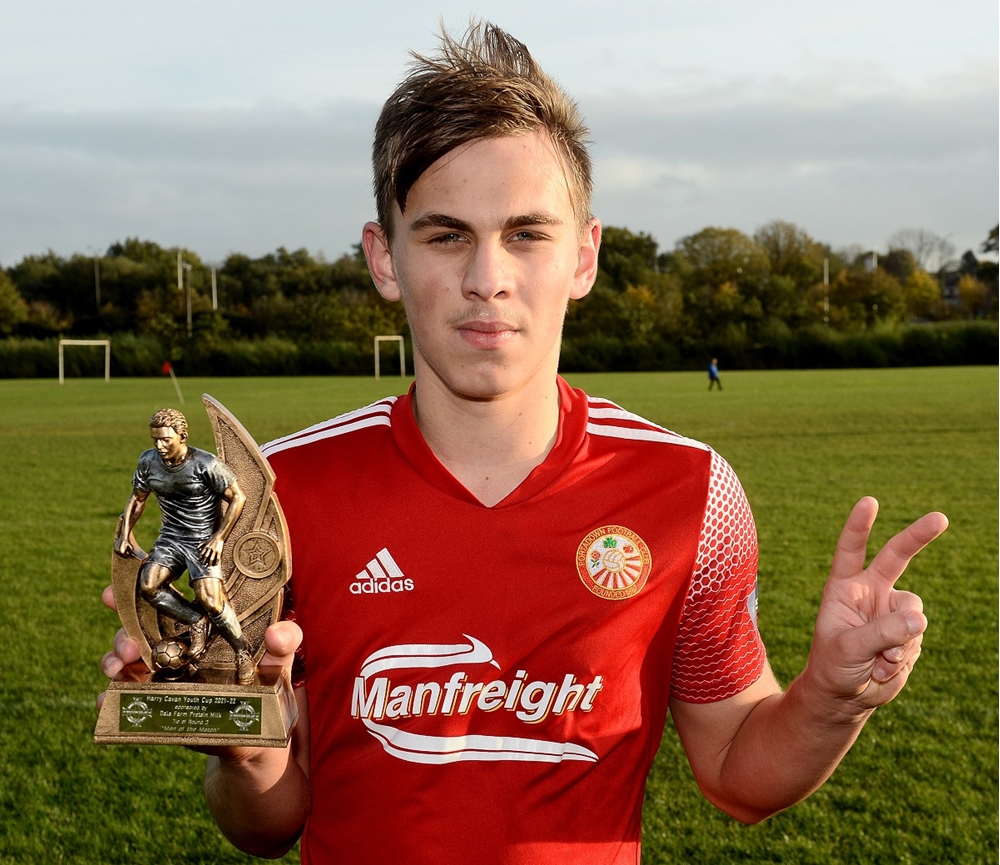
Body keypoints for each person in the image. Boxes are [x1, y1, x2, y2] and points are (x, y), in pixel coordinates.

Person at [100, 23, 947, 864]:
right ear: (384, 257)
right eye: (445, 234)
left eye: (526, 233)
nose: (487, 277)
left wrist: (833, 699)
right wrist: (245, 747)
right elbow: (268, 821)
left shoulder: (689, 490)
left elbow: (737, 771)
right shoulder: (283, 491)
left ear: (584, 257)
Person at [114, 408, 253, 682]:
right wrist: (124, 534)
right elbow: (138, 499)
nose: (159, 445)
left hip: (203, 541)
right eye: (155, 439)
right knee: (149, 585)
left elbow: (238, 497)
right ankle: (194, 621)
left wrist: (219, 538)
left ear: (182, 436)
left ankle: (242, 651)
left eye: (166, 439)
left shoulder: (205, 464)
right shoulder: (148, 462)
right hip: (170, 539)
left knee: (212, 602)